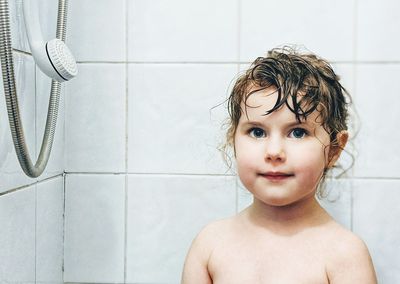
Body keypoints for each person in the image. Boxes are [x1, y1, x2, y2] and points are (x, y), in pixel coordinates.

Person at [181, 46, 377, 283]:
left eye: (297, 133)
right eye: (256, 131)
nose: (274, 152)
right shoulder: (209, 246)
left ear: (334, 149)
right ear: (233, 140)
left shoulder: (344, 255)